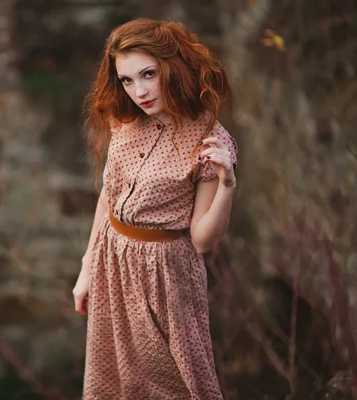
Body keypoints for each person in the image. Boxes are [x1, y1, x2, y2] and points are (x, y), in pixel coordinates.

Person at [72, 18, 238, 399]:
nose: (139, 91)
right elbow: (109, 196)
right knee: (113, 381)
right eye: (127, 80)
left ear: (172, 68)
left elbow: (202, 240)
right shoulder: (124, 119)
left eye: (148, 74)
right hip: (112, 262)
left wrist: (227, 183)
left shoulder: (208, 139)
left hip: (165, 276)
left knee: (177, 384)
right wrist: (87, 268)